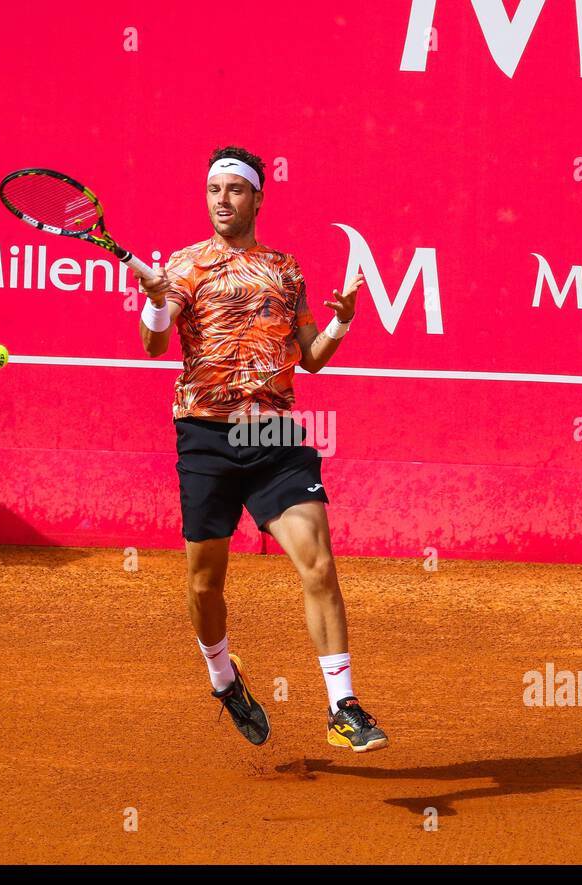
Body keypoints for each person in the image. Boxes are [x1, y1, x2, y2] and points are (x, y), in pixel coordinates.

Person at [135, 145, 387, 752]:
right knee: (204, 585)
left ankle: (343, 706)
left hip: (272, 434)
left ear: (257, 198)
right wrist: (153, 297)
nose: (222, 201)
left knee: (319, 564)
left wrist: (342, 321)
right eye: (213, 190)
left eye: (235, 190)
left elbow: (312, 359)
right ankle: (224, 680)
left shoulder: (285, 267)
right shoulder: (183, 266)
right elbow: (152, 346)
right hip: (205, 435)